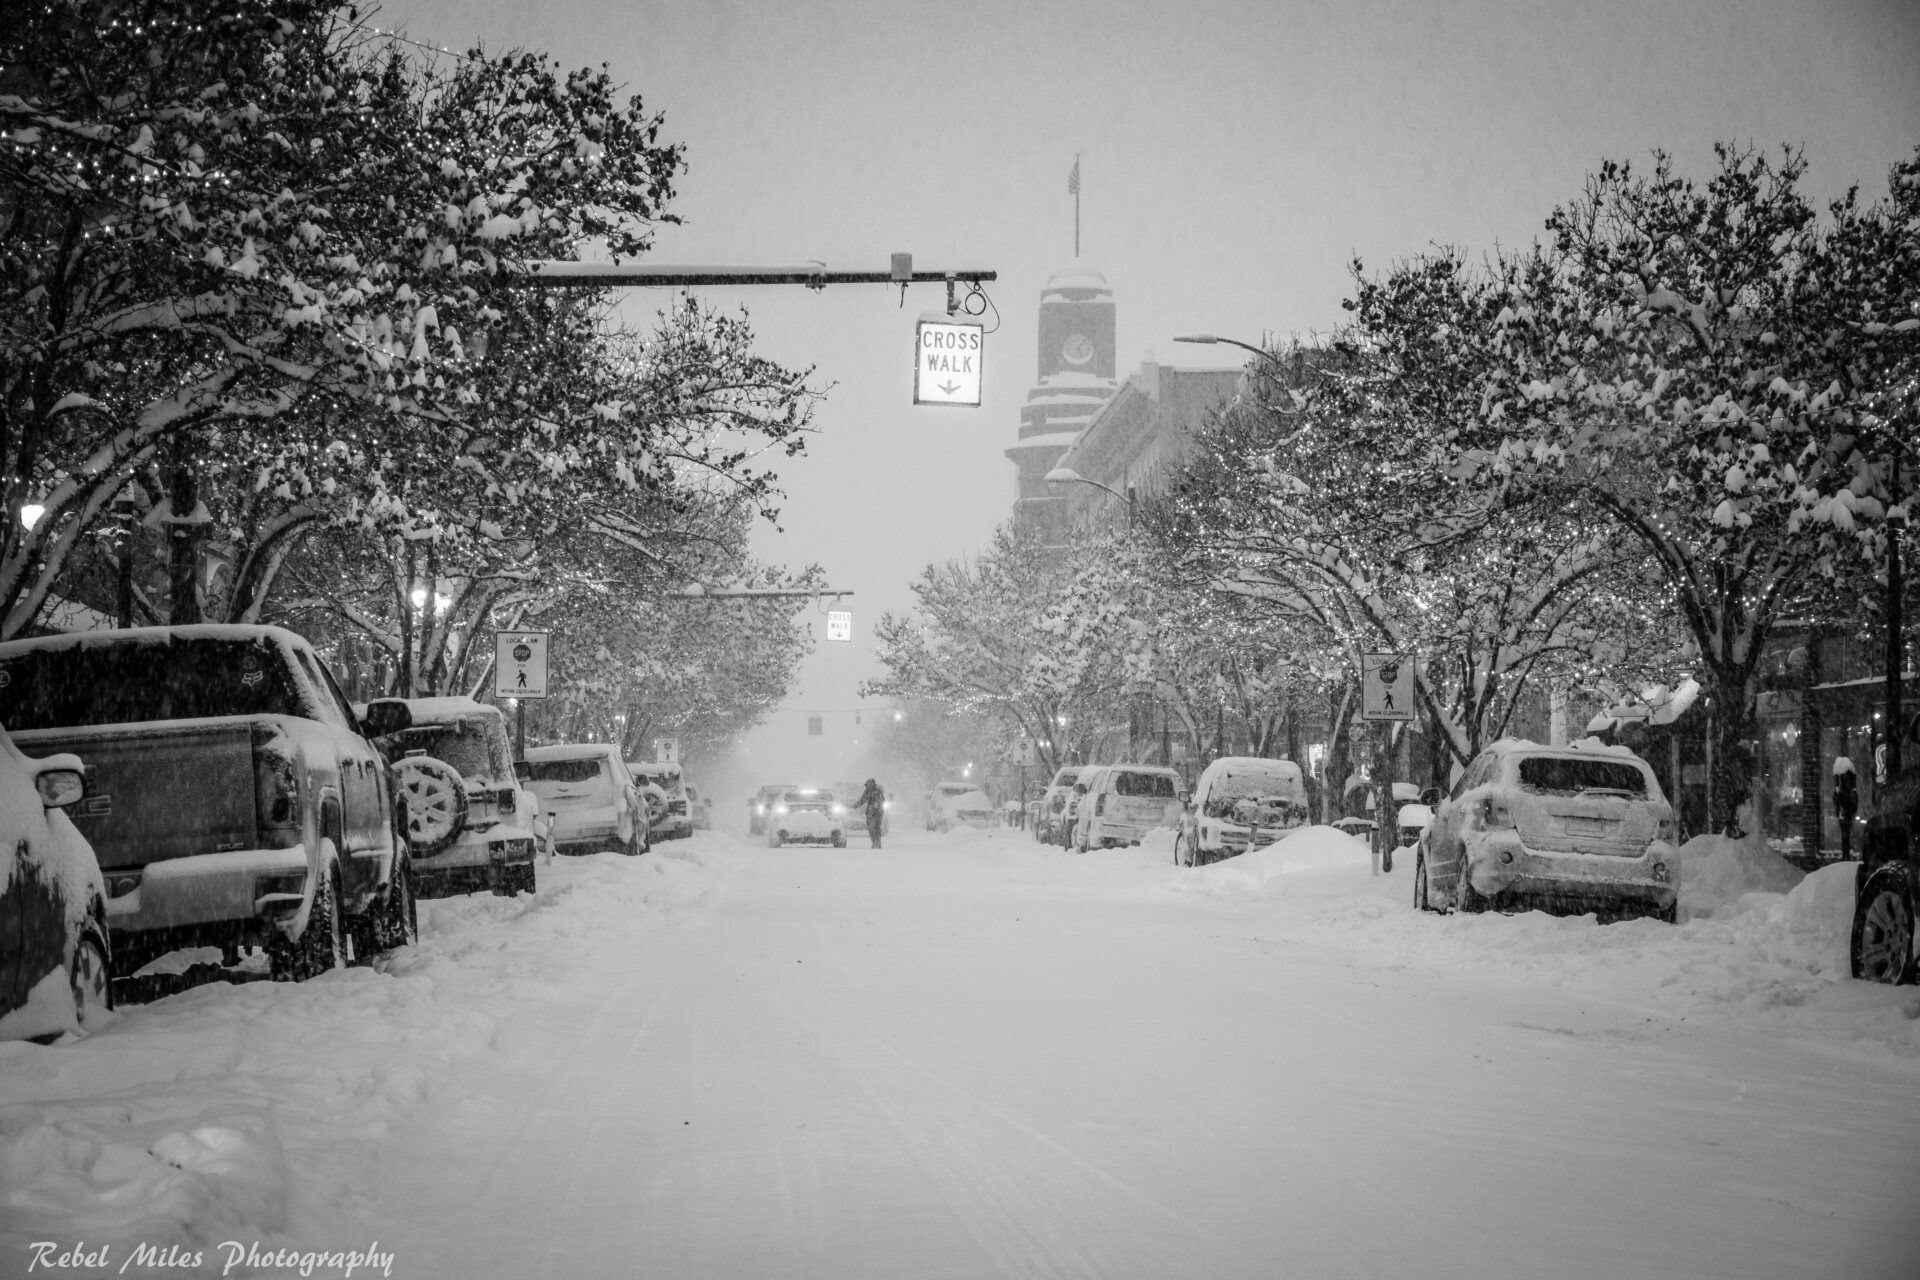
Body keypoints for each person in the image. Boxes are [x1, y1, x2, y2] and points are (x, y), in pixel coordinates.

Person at [848, 778, 886, 849]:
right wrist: (854, 806)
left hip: (878, 812)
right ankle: (875, 843)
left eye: (868, 784)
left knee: (876, 828)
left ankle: (877, 843)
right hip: (870, 812)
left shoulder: (878, 791)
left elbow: (882, 800)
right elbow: (862, 801)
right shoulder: (867, 791)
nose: (867, 786)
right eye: (867, 784)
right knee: (871, 828)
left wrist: (877, 804)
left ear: (873, 784)